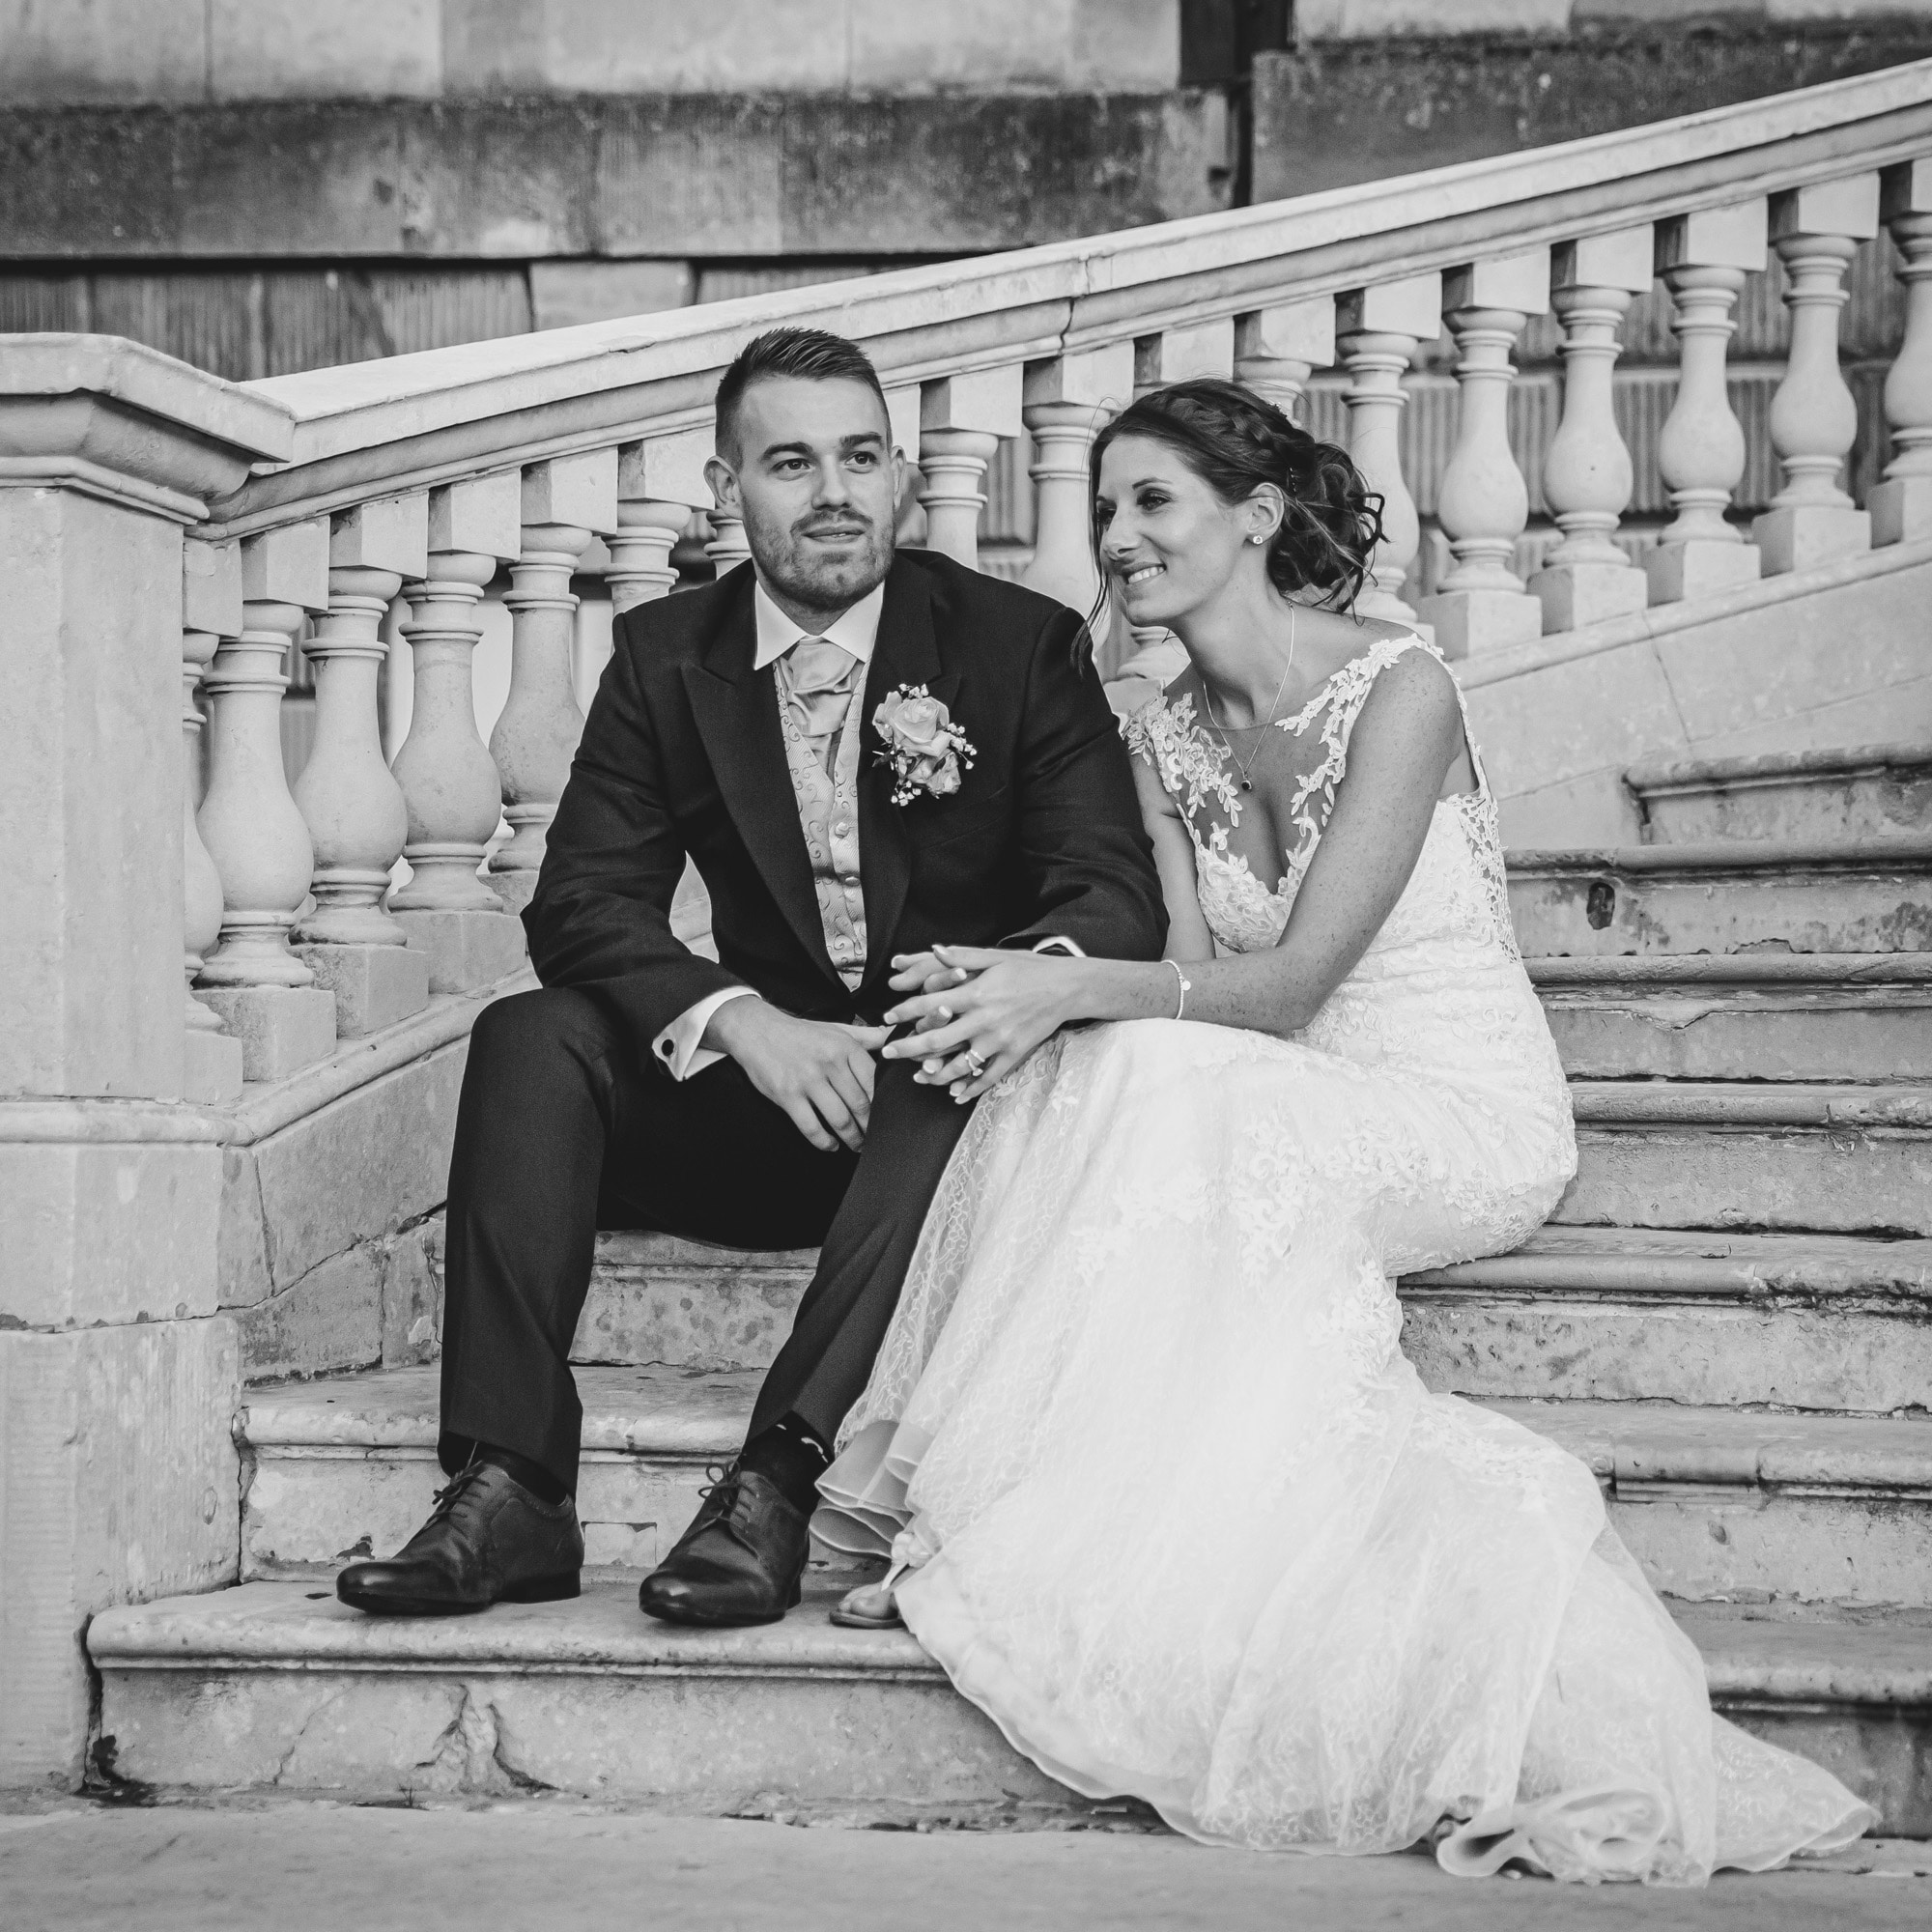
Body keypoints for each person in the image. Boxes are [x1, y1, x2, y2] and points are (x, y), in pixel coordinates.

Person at [810, 379, 1875, 1884]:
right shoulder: (1154, 735)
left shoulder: (1400, 687)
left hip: (1452, 1102)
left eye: (1152, 501)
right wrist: (1051, 990)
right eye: (1105, 509)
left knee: (1125, 1051)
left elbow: (1296, 981)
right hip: (1273, 1086)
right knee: (1113, 1068)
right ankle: (1020, 1521)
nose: (1115, 537)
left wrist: (1065, 986)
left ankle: (991, 1529)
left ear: (1255, 516)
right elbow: (1188, 990)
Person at [334, 327, 1166, 1624]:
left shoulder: (1018, 644)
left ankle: (778, 1479)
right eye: (792, 463)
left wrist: (1002, 994)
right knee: (531, 1035)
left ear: (902, 478)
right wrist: (745, 1025)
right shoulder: (667, 653)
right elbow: (582, 901)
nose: (835, 492)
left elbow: (1110, 891)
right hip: (774, 1112)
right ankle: (512, 1487)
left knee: (939, 1059)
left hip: (959, 1126)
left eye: (861, 458)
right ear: (729, 489)